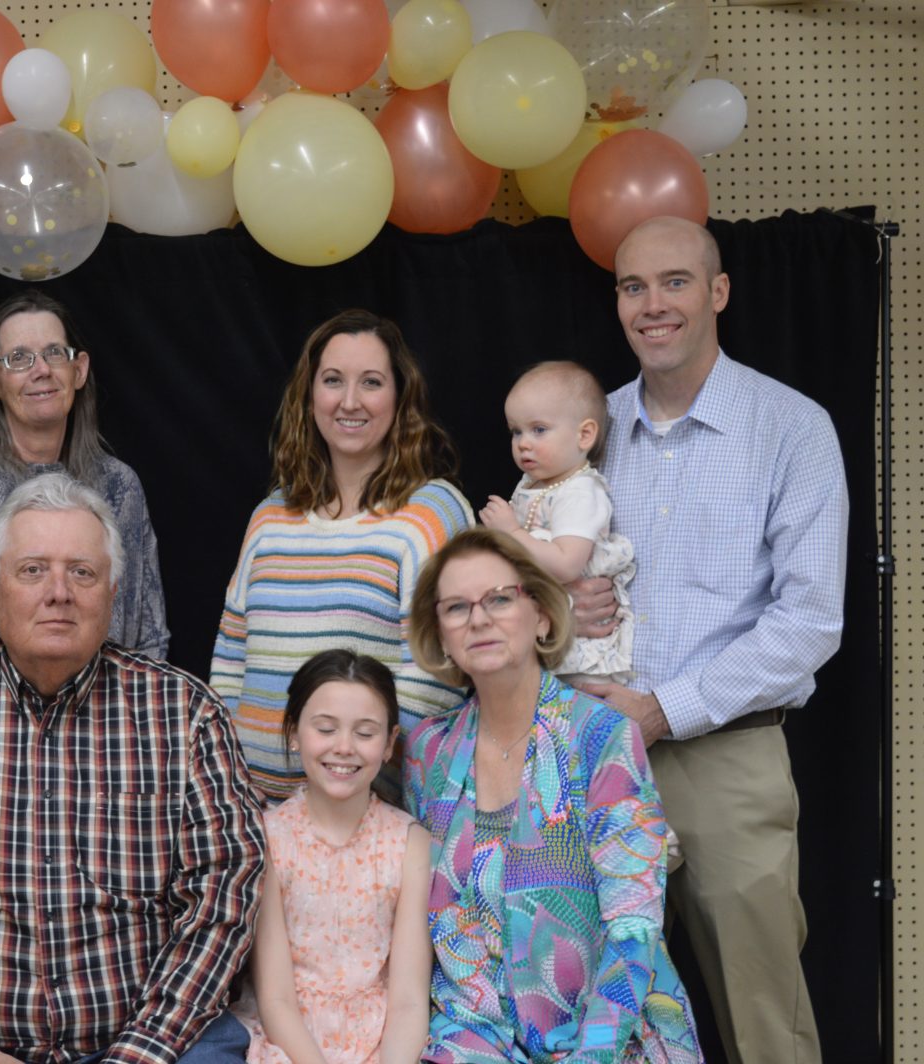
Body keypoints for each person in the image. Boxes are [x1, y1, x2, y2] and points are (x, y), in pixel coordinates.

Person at [0, 472, 266, 1064]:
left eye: (82, 572)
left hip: (150, 1042)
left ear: (114, 592)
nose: (58, 592)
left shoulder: (186, 716)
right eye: (33, 570)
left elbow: (224, 895)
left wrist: (139, 1053)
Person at [570, 216, 846, 1064]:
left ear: (719, 292)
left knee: (765, 1026)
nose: (652, 305)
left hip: (728, 759)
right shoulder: (586, 430)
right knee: (584, 1016)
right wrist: (560, 606)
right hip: (590, 758)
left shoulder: (791, 427)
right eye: (633, 286)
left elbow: (810, 621)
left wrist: (661, 710)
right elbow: (528, 582)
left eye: (675, 282)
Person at [405, 529, 700, 1062]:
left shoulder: (600, 735)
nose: (479, 619)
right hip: (476, 1038)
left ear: (541, 615)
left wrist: (594, 1054)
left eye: (499, 599)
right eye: (456, 607)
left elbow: (633, 928)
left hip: (608, 1037)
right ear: (442, 636)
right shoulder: (428, 752)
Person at [212, 309, 471, 801]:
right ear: (309, 396)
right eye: (333, 380)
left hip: (366, 814)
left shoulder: (430, 513)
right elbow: (229, 657)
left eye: (371, 382)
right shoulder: (270, 516)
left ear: (400, 397)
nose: (350, 401)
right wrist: (230, 781)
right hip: (252, 812)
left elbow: (436, 677)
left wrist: (358, 794)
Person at [0, 290, 168, 681]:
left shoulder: (120, 486)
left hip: (111, 713)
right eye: (19, 358)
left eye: (54, 353)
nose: (41, 370)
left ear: (79, 370)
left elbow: (149, 643)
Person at [234, 650, 432, 1064]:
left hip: (384, 1041)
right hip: (288, 1043)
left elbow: (409, 1001)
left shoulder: (409, 844)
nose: (344, 748)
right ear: (294, 733)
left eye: (365, 733)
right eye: (326, 729)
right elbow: (275, 999)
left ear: (389, 743)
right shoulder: (268, 839)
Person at [478, 361, 635, 685]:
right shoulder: (533, 485)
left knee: (575, 710)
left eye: (539, 430)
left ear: (584, 435)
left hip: (583, 653)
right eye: (516, 431)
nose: (523, 443)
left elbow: (566, 564)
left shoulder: (580, 492)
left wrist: (511, 532)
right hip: (545, 639)